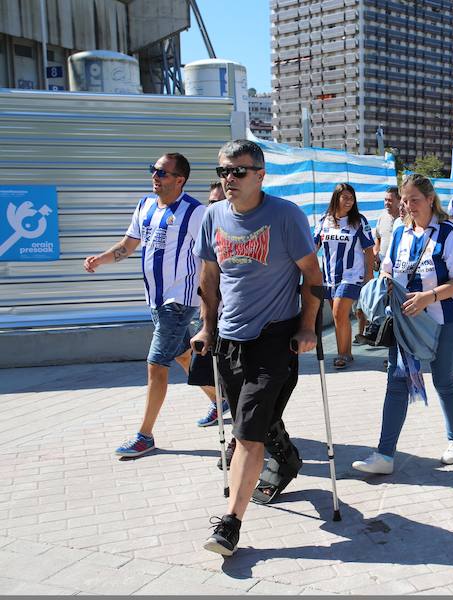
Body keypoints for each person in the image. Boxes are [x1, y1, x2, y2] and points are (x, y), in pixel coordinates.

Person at [192, 139, 322, 556]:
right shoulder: (212, 215)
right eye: (223, 172)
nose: (229, 178)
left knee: (246, 431)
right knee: (252, 422)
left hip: (274, 337)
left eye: (238, 171)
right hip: (230, 338)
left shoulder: (285, 216)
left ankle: (230, 524)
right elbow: (209, 279)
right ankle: (286, 460)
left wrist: (307, 327)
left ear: (260, 174)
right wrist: (206, 328)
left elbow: (312, 276)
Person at [84, 153, 213, 457]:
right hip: (154, 298)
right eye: (153, 170)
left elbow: (211, 257)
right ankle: (220, 401)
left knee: (156, 364)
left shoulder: (196, 212)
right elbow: (128, 245)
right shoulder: (144, 206)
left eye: (162, 173)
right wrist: (100, 260)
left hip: (178, 300)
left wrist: (212, 302)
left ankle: (145, 435)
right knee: (182, 354)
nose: (155, 176)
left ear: (180, 180)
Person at [352, 173, 453, 475]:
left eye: (414, 200)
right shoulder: (401, 234)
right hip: (406, 325)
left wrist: (429, 297)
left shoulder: (447, 232)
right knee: (396, 383)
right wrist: (383, 289)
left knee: (444, 380)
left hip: (444, 322)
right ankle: (385, 454)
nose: (407, 206)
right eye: (404, 201)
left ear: (430, 199)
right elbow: (389, 271)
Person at [314, 183, 375, 369]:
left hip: (352, 276)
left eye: (351, 197)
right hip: (329, 277)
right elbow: (313, 247)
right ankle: (346, 352)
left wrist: (369, 275)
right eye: (345, 197)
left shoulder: (359, 221)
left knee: (339, 312)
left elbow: (369, 250)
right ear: (336, 198)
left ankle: (342, 355)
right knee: (339, 317)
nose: (349, 201)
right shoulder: (324, 220)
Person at [193, 181, 230, 428]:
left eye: (217, 202)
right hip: (211, 311)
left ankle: (242, 438)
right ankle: (220, 402)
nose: (212, 206)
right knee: (200, 365)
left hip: (236, 316)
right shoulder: (206, 227)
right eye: (210, 202)